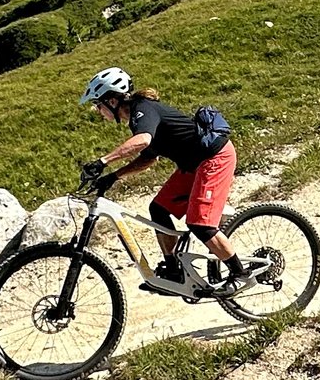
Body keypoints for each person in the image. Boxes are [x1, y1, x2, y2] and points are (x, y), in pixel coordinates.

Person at [79, 66, 249, 292]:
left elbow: (143, 141)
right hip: (193, 166)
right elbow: (148, 158)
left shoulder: (144, 109)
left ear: (111, 100)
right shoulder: (138, 118)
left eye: (97, 105)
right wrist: (113, 177)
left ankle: (240, 273)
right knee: (158, 209)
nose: (97, 111)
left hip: (214, 158)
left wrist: (103, 162)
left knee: (199, 224)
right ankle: (174, 270)